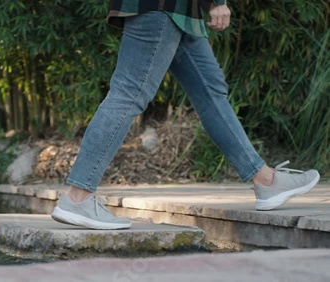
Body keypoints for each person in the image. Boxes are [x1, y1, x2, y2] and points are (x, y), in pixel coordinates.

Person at [51, 0, 320, 230]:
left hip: (182, 13)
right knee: (128, 94)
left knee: (210, 91)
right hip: (161, 8)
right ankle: (78, 198)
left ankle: (265, 180)